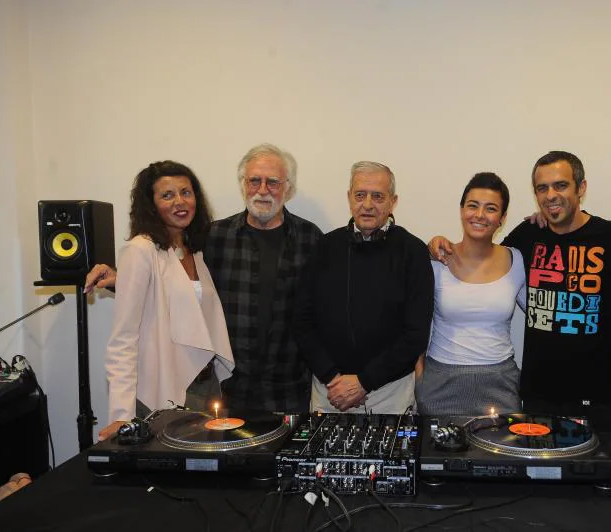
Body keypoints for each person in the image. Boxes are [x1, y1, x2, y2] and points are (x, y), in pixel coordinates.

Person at [87, 144, 323, 414]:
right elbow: (175, 285)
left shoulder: (311, 238)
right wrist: (124, 280)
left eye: (273, 182)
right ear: (242, 184)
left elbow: (323, 308)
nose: (262, 189)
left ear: (288, 188)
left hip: (288, 387)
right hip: (226, 388)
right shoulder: (212, 237)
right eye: (254, 180)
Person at [429, 152, 611, 428]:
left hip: (597, 395)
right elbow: (485, 251)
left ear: (581, 188)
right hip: (537, 394)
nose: (551, 195)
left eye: (561, 185)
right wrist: (436, 243)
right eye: (542, 188)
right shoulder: (527, 237)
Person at [101, 161, 234, 440]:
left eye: (186, 192)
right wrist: (121, 417)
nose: (180, 202)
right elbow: (123, 340)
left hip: (204, 386)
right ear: (151, 205)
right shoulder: (140, 250)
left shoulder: (193, 250)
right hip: (164, 389)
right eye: (167, 195)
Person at [295, 161, 433, 414]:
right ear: (349, 198)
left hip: (389, 394)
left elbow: (416, 335)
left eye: (378, 196)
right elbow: (302, 321)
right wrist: (332, 377)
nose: (368, 204)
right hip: (330, 391)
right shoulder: (324, 247)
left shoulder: (413, 252)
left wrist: (363, 382)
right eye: (360, 195)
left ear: (393, 201)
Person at [415, 172, 524, 416]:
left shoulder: (517, 260)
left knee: (500, 452)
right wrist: (420, 378)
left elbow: (540, 314)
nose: (479, 215)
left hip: (500, 385)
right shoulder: (436, 259)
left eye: (491, 208)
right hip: (440, 385)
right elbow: (414, 321)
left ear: (502, 218)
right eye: (472, 206)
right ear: (462, 209)